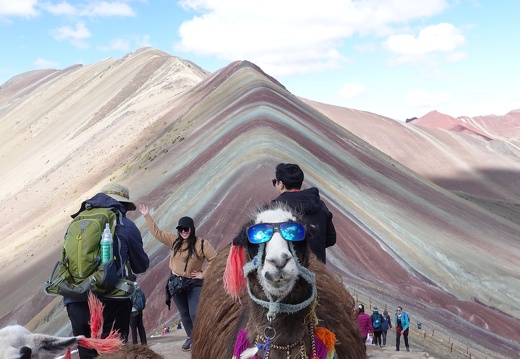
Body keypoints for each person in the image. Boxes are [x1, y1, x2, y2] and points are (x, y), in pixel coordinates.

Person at [65, 183, 150, 359]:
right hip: (110, 300)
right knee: (114, 353)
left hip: (75, 299)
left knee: (87, 353)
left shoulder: (77, 223)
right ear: (122, 205)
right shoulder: (125, 225)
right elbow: (140, 266)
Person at [138, 204, 217, 352]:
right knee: (184, 313)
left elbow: (215, 259)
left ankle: (202, 338)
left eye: (186, 229)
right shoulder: (174, 241)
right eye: (181, 229)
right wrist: (147, 215)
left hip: (194, 284)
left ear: (192, 229)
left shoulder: (202, 244)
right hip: (176, 283)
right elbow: (157, 233)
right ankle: (191, 337)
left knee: (195, 312)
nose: (183, 232)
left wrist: (203, 274)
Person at [272, 163, 336, 263]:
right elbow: (331, 238)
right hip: (318, 270)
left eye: (275, 182)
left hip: (290, 270)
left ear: (281, 184)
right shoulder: (320, 204)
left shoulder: (277, 208)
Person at [129, 280, 147, 345]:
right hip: (139, 310)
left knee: (133, 329)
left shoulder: (130, 288)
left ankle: (135, 344)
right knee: (140, 326)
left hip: (132, 311)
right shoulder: (138, 288)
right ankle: (144, 343)